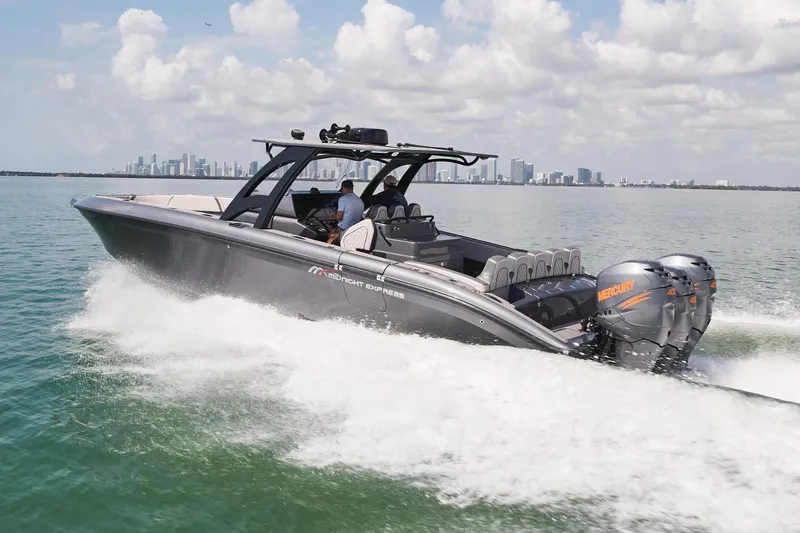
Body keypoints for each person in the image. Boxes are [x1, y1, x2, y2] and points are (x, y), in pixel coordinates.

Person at [327, 179, 364, 244]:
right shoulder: (360, 200)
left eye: (342, 190)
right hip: (355, 228)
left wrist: (333, 215)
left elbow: (339, 217)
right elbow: (360, 217)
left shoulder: (343, 199)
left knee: (330, 237)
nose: (342, 192)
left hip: (343, 228)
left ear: (343, 188)